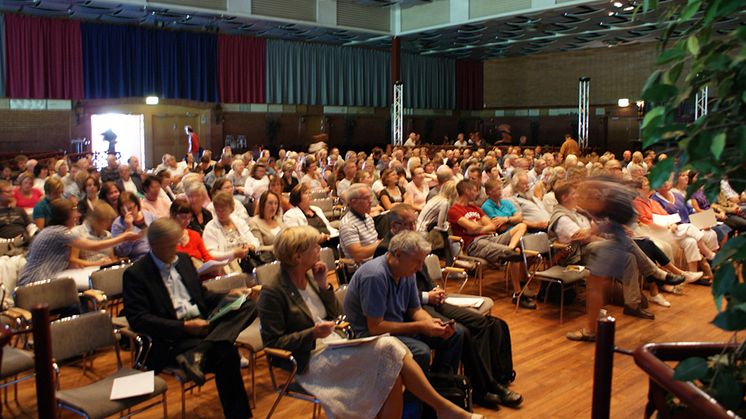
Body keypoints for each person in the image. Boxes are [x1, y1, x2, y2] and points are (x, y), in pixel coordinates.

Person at [258, 226, 480, 419]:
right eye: (314, 247)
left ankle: (442, 409)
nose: (320, 250)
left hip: (333, 346)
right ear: (298, 256)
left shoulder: (310, 277)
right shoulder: (273, 291)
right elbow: (274, 343)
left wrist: (324, 285)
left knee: (390, 368)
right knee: (390, 351)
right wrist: (312, 334)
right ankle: (443, 408)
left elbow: (336, 314)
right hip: (308, 360)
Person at [375, 205, 523, 408]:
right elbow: (400, 299)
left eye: (414, 222)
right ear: (394, 226)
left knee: (484, 323)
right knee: (459, 332)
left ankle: (491, 380)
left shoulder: (412, 244)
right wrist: (428, 296)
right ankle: (481, 387)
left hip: (428, 301)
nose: (414, 226)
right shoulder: (388, 251)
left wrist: (433, 291)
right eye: (409, 223)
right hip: (418, 306)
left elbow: (418, 280)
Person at [122, 218, 255, 419]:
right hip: (172, 339)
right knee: (227, 353)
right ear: (155, 245)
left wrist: (229, 295)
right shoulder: (136, 274)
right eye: (171, 244)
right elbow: (139, 320)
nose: (176, 248)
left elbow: (201, 295)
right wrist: (184, 327)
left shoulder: (182, 261)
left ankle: (202, 350)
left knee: (249, 305)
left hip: (202, 327)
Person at [448, 180, 531, 308]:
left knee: (521, 226)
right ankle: (518, 293)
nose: (477, 193)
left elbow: (492, 227)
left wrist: (476, 228)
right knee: (517, 253)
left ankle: (509, 249)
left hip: (490, 238)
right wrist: (477, 226)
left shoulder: (475, 208)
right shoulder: (454, 210)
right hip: (473, 244)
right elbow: (474, 227)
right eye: (475, 190)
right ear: (467, 191)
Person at [17, 199, 139, 286]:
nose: (77, 215)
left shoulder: (52, 230)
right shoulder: (60, 233)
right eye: (74, 212)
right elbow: (95, 247)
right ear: (66, 216)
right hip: (35, 281)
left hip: (43, 278)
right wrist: (124, 236)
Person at [202, 192, 259, 273]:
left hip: (247, 264)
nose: (220, 213)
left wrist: (251, 246)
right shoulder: (210, 228)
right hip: (225, 269)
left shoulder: (238, 221)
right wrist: (233, 254)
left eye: (224, 210)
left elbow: (254, 241)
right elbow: (211, 254)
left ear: (231, 209)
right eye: (218, 210)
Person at [70, 201, 122, 267]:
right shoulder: (77, 233)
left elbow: (112, 257)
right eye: (107, 220)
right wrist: (97, 263)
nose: (109, 224)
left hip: (106, 270)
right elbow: (72, 260)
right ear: (96, 220)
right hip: (85, 272)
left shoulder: (108, 235)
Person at [339, 184, 381, 264]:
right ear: (354, 203)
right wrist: (381, 244)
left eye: (370, 197)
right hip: (362, 268)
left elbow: (374, 241)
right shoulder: (348, 224)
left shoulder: (368, 218)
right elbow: (358, 254)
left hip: (376, 261)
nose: (370, 201)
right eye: (366, 198)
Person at [111, 192, 157, 261]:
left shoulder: (148, 215)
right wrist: (129, 228)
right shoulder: (117, 225)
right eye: (123, 210)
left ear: (137, 206)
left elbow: (161, 228)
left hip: (158, 253)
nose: (127, 213)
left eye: (130, 209)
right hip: (140, 259)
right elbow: (120, 253)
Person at [248, 190, 286, 255]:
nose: (273, 207)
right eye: (270, 203)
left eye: (276, 203)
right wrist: (278, 247)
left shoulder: (277, 219)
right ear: (263, 204)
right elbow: (258, 248)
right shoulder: (254, 222)